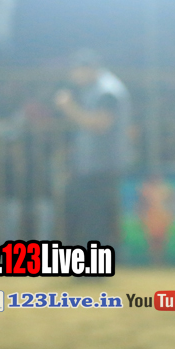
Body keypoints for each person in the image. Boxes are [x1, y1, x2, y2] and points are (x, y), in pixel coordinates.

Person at [54, 49, 131, 248]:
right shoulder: (96, 89)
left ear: (89, 69)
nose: (73, 76)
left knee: (95, 221)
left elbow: (101, 124)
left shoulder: (107, 91)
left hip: (102, 168)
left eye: (76, 70)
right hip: (91, 168)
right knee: (87, 217)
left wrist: (69, 107)